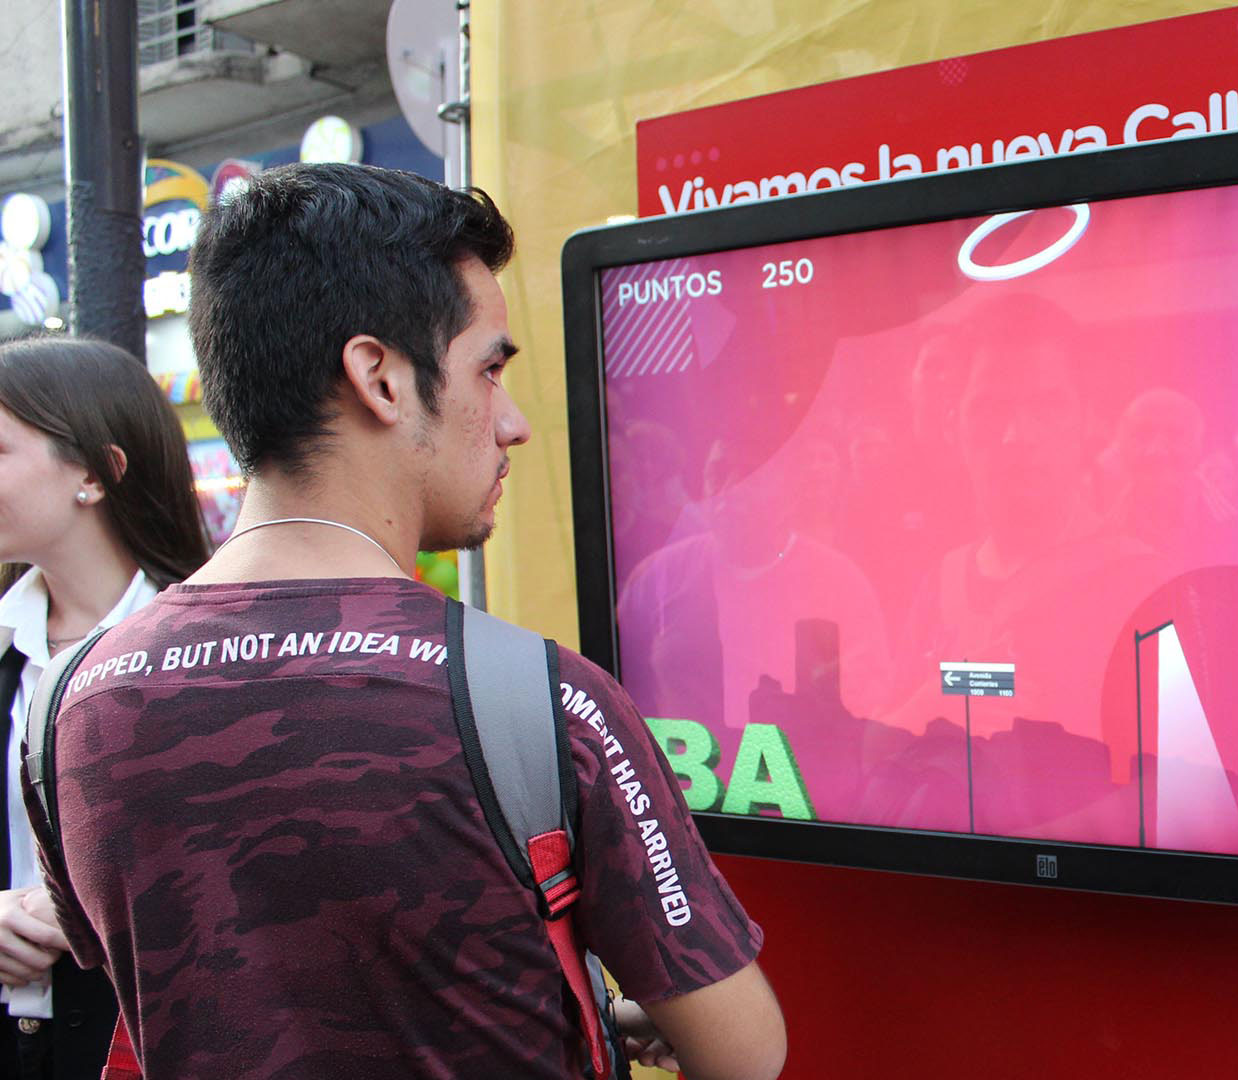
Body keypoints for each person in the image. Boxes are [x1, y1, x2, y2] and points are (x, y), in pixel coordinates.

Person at [24, 163, 785, 1080]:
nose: (513, 422)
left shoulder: (68, 703)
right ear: (379, 378)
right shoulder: (543, 703)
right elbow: (745, 1053)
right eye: (489, 369)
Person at [0, 336, 210, 1079]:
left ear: (95, 472)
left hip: (151, 1044)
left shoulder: (212, 652)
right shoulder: (9, 640)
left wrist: (94, 912)